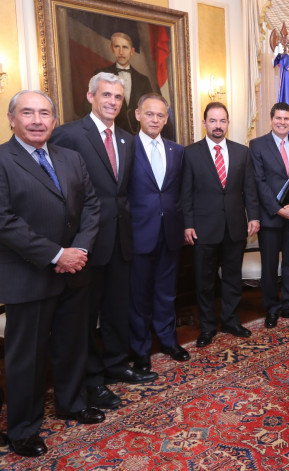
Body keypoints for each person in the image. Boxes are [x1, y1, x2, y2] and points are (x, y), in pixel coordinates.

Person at [0, 90, 103, 457]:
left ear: (54, 121)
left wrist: (79, 251)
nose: (37, 120)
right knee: (27, 358)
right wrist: (57, 254)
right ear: (11, 119)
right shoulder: (2, 160)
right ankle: (23, 429)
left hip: (74, 271)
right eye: (27, 113)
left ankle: (71, 403)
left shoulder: (70, 157)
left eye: (44, 113)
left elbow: (92, 206)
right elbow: (4, 220)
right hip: (28, 275)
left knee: (71, 344)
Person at [51, 72, 157, 412]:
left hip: (121, 240)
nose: (112, 101)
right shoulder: (68, 135)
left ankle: (115, 364)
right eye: (106, 95)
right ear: (91, 96)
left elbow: (122, 193)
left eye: (117, 96)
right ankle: (92, 378)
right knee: (84, 316)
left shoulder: (126, 139)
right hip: (85, 243)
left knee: (116, 309)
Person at [182, 102, 260, 346]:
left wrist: (254, 216)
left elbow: (249, 189)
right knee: (204, 281)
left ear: (228, 123)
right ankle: (207, 327)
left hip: (235, 226)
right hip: (203, 228)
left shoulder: (241, 152)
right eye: (213, 120)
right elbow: (186, 192)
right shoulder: (190, 153)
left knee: (232, 277)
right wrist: (187, 223)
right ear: (204, 123)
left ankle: (230, 320)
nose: (218, 125)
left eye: (222, 121)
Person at [128, 93, 188, 370]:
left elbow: (180, 192)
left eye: (160, 115)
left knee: (166, 292)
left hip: (170, 232)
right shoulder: (126, 148)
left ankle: (168, 340)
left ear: (166, 119)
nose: (155, 119)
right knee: (139, 295)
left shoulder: (177, 151)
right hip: (138, 233)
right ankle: (140, 350)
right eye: (149, 114)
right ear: (138, 115)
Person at [249, 102, 289, 328]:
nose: (282, 122)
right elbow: (259, 181)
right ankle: (272, 308)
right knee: (269, 265)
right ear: (271, 120)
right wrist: (277, 209)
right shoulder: (257, 145)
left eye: (287, 119)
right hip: (271, 216)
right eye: (278, 118)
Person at [93, 33, 154, 135]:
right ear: (112, 49)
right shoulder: (100, 75)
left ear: (132, 51)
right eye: (117, 47)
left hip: (136, 136)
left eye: (125, 47)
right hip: (109, 134)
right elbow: (91, 106)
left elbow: (150, 110)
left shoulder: (143, 80)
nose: (121, 52)